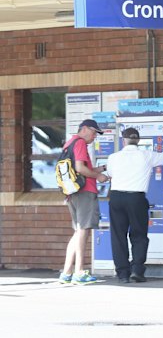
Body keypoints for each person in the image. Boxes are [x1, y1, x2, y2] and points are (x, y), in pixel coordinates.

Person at [106, 125, 163, 283]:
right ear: (137, 141)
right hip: (136, 198)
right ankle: (137, 269)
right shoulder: (146, 155)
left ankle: (123, 274)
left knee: (118, 236)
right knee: (139, 234)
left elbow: (110, 174)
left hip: (117, 197)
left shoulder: (113, 157)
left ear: (124, 141)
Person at [58, 119, 109, 285]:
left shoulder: (69, 143)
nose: (95, 136)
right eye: (94, 132)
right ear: (84, 129)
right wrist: (98, 176)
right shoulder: (80, 143)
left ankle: (66, 273)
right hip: (85, 191)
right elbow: (80, 169)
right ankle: (79, 271)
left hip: (73, 192)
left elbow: (79, 169)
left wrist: (102, 168)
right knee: (83, 230)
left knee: (77, 231)